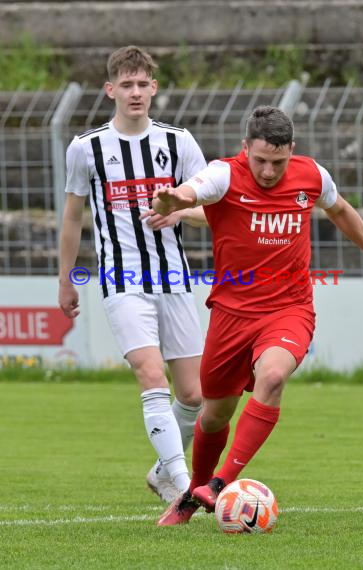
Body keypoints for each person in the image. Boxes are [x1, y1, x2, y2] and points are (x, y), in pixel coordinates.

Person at [148, 105, 363, 526]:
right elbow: (194, 190)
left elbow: (341, 211)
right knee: (214, 414)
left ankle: (221, 485)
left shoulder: (312, 176)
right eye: (259, 160)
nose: (267, 171)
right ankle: (192, 496)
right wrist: (176, 199)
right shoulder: (225, 173)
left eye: (277, 162)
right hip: (231, 314)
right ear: (246, 148)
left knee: (273, 376)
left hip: (289, 309)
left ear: (291, 151)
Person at [58, 45, 209, 503]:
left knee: (194, 396)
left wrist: (180, 213)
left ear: (154, 88)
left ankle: (163, 471)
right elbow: (71, 217)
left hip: (175, 280)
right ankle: (184, 488)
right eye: (127, 84)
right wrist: (66, 278)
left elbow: (213, 207)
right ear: (110, 91)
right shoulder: (86, 149)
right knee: (150, 375)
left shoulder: (178, 142)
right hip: (121, 282)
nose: (136, 92)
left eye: (143, 83)